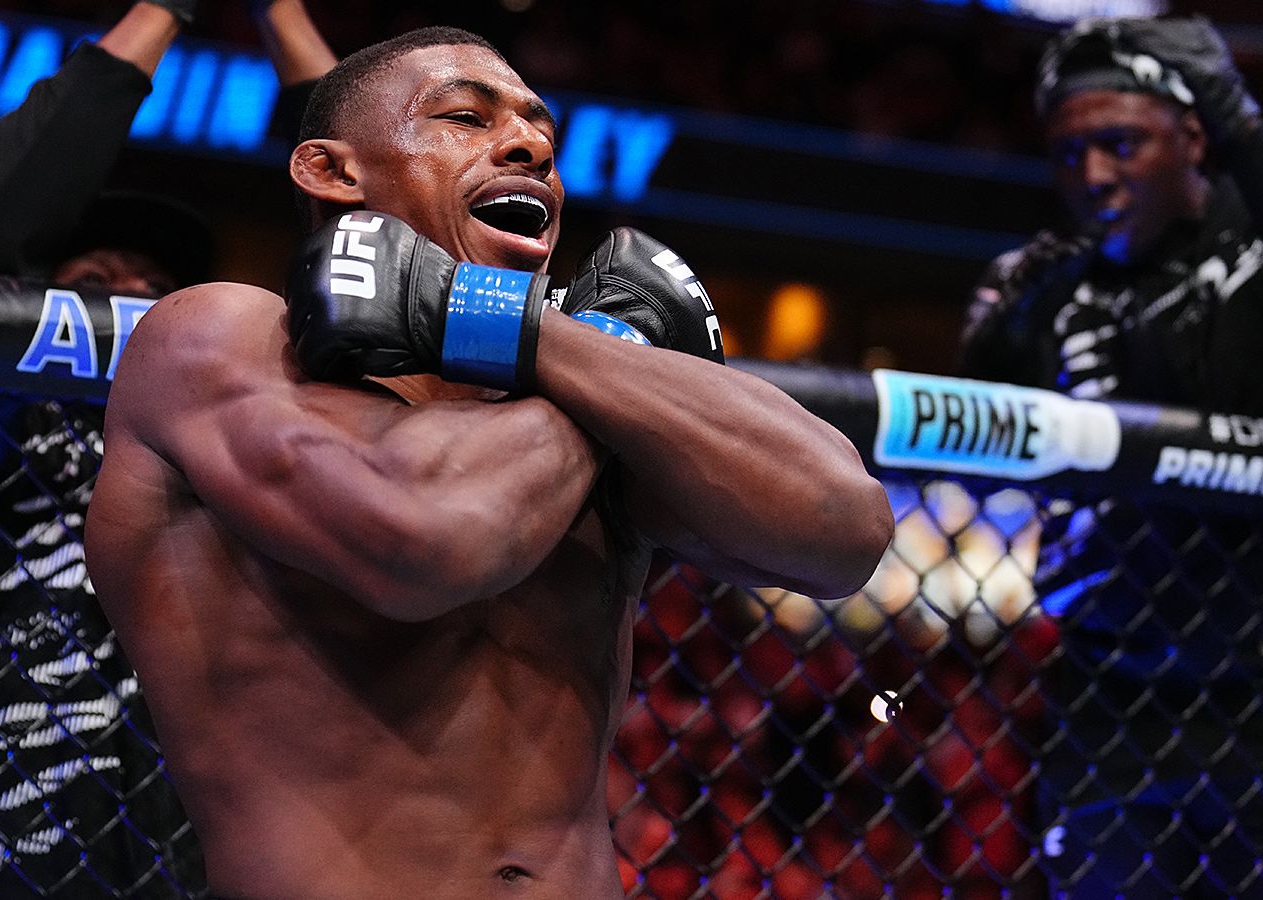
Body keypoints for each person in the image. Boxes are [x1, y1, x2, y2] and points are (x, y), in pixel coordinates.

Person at [85, 26, 893, 898]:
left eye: (542, 132)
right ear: (332, 171)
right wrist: (606, 352)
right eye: (464, 118)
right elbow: (426, 538)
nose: (528, 146)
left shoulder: (584, 373)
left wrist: (529, 331)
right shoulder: (219, 336)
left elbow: (843, 530)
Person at [0, 2, 335, 896]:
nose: (131, 301)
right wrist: (164, 9)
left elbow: (379, 268)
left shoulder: (225, 453)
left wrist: (280, 16)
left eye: (157, 290)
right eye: (93, 283)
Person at [958, 17, 1263, 898]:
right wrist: (992, 346)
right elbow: (972, 464)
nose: (1092, 175)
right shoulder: (1047, 283)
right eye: (1069, 153)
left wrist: (1244, 123)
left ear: (1193, 138)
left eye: (1121, 144)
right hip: (1110, 689)